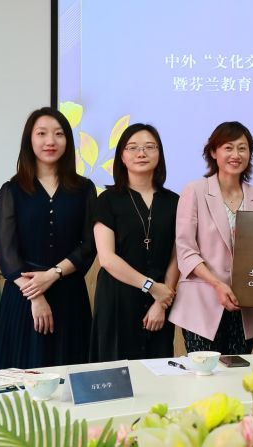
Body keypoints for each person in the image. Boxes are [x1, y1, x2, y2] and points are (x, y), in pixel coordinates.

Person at [0, 108, 97, 368]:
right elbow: (6, 253)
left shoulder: (84, 188)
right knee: (22, 380)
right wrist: (36, 296)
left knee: (71, 377)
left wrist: (53, 274)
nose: (50, 141)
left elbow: (88, 246)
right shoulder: (12, 190)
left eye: (59, 134)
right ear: (30, 140)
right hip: (23, 297)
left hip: (69, 294)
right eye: (42, 134)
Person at [172, 122, 253, 354]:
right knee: (204, 376)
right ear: (214, 152)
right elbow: (185, 250)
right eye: (228, 147)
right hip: (202, 302)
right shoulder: (194, 190)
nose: (236, 155)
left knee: (238, 376)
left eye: (242, 148)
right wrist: (217, 284)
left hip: (244, 305)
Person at [91, 123, 179, 361]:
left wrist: (162, 301)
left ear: (159, 154)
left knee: (158, 372)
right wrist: (151, 286)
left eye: (150, 147)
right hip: (117, 299)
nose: (142, 153)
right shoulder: (107, 200)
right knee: (115, 375)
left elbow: (176, 256)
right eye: (133, 148)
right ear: (122, 155)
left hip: (159, 301)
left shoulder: (174, 201)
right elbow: (107, 259)